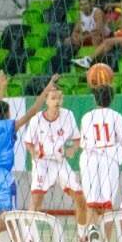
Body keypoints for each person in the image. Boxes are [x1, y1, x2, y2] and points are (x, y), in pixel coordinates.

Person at [0, 72, 57, 220]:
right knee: (11, 218)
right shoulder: (10, 126)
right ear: (6, 113)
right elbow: (33, 110)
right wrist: (48, 88)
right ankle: (13, 240)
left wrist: (2, 88)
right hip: (2, 177)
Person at [79, 85, 122, 242]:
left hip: (90, 161)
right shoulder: (116, 116)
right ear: (112, 99)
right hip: (109, 160)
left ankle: (92, 232)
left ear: (95, 99)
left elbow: (83, 143)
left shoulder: (87, 117)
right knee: (108, 207)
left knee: (91, 204)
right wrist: (118, 158)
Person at [24, 85, 86, 230]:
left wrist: (73, 149)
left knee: (80, 197)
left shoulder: (68, 115)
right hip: (42, 162)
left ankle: (83, 234)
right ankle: (27, 234)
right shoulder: (36, 120)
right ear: (46, 100)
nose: (57, 101)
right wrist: (33, 153)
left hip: (60, 161)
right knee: (37, 200)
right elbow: (28, 143)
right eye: (53, 98)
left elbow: (77, 139)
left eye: (59, 97)